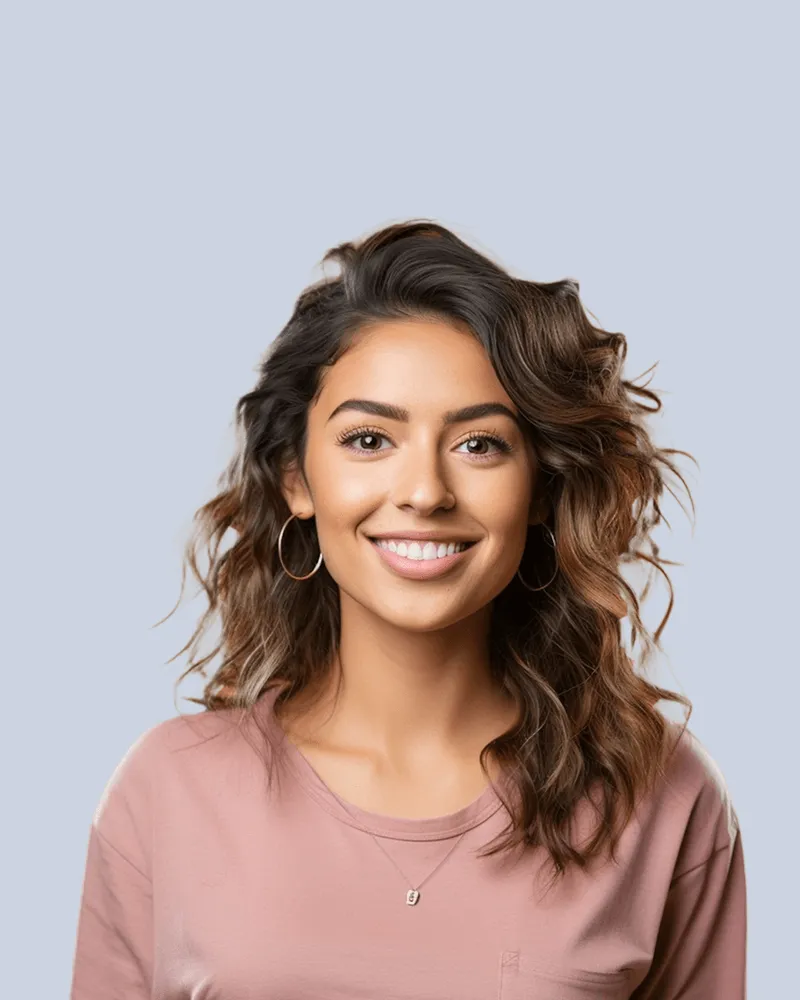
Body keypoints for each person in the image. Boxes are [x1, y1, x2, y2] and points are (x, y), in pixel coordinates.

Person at [69, 220, 746, 999]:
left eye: (479, 445)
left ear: (540, 490)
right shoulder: (167, 791)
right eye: (368, 439)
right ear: (296, 477)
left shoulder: (662, 797)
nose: (424, 491)